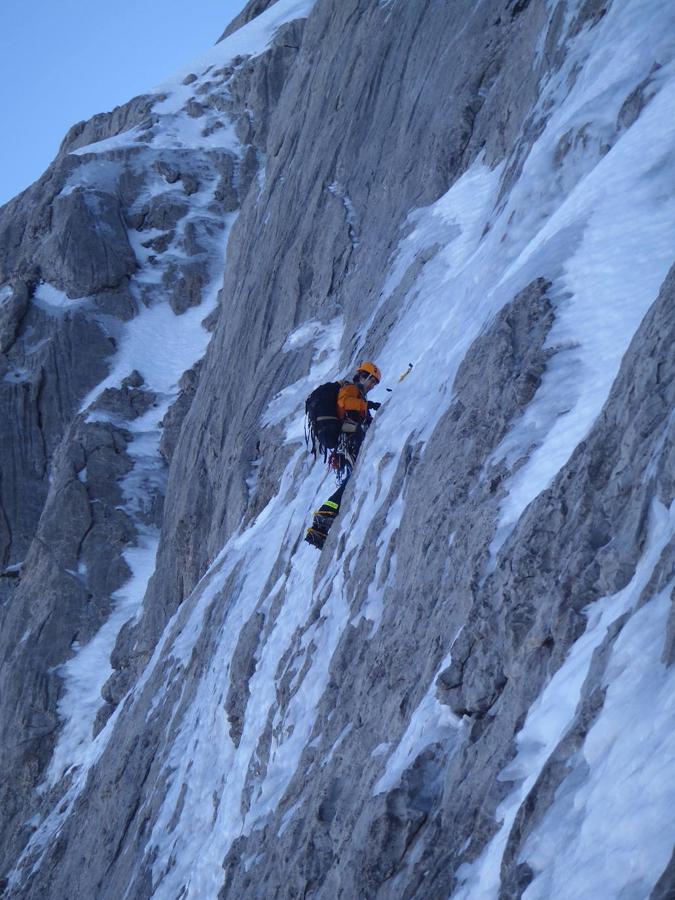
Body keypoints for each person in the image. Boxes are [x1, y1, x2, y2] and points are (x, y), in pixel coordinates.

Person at [305, 361, 382, 549]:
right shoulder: (350, 388)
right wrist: (366, 405)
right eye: (372, 382)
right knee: (354, 478)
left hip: (344, 441)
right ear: (364, 376)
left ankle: (321, 526)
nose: (372, 386)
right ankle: (324, 517)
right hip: (348, 438)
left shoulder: (357, 395)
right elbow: (345, 403)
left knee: (352, 480)